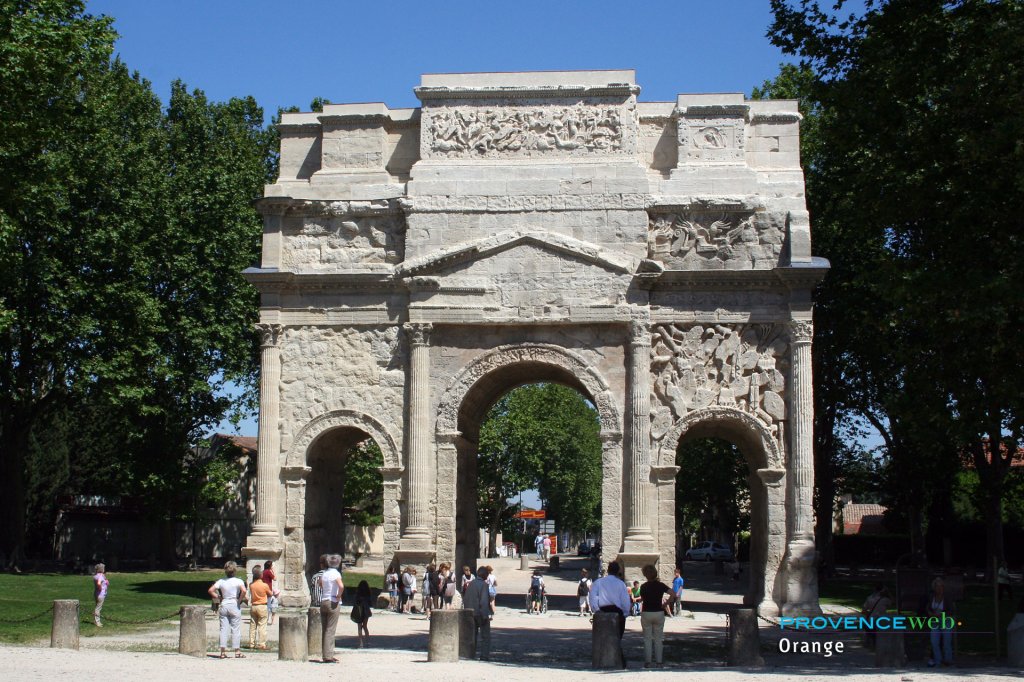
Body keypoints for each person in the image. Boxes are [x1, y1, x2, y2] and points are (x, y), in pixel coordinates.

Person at [588, 561, 631, 667]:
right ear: (618, 571)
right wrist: (625, 613)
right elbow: (625, 601)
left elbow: (592, 596)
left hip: (603, 611)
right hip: (618, 612)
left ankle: (603, 660)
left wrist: (596, 610)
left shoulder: (599, 582)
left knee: (601, 638)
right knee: (617, 638)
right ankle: (617, 660)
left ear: (608, 570)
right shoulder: (621, 584)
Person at [639, 564, 677, 668]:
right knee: (658, 638)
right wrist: (666, 603)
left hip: (646, 612)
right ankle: (659, 662)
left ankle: (648, 662)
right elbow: (673, 594)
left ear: (645, 575)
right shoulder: (661, 585)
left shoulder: (643, 586)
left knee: (647, 638)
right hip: (659, 612)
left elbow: (642, 598)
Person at [208, 561, 247, 659]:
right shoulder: (238, 581)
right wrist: (240, 599)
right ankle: (237, 651)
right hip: (234, 603)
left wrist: (219, 597)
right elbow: (244, 590)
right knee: (235, 628)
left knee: (223, 629)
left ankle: (222, 652)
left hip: (224, 603)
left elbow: (210, 590)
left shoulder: (221, 581)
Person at [319, 554, 344, 663]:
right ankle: (328, 655)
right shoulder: (336, 574)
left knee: (325, 629)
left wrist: (326, 590)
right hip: (333, 601)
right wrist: (338, 596)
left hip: (324, 600)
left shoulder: (324, 574)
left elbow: (320, 584)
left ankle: (326, 654)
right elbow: (341, 586)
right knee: (331, 629)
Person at [463, 566, 492, 661]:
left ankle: (470, 654)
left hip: (470, 612)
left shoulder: (471, 584)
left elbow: (466, 598)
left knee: (472, 635)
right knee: (485, 636)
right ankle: (484, 656)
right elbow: (483, 601)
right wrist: (485, 615)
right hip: (480, 613)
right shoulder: (484, 585)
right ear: (485, 575)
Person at [926, 577, 954, 667]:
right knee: (934, 642)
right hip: (934, 621)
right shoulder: (931, 597)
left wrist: (940, 615)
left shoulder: (947, 597)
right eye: (937, 587)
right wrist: (930, 613)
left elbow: (950, 611)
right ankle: (938, 661)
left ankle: (948, 661)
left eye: (941, 586)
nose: (939, 589)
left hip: (945, 621)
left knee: (947, 642)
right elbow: (928, 607)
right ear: (934, 588)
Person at [247, 565, 271, 650]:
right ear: (261, 575)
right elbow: (270, 594)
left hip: (254, 606)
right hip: (262, 606)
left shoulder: (251, 585)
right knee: (262, 626)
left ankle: (251, 643)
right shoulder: (264, 585)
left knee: (253, 626)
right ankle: (261, 644)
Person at [861, 583, 891, 648]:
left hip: (871, 619)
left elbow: (863, 611)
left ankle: (873, 645)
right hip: (882, 620)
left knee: (873, 633)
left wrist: (869, 613)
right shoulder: (885, 599)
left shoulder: (869, 598)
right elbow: (892, 603)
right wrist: (888, 592)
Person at [354, 580, 373, 648]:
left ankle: (360, 643)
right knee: (365, 626)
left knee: (359, 627)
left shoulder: (358, 594)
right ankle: (368, 642)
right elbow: (370, 603)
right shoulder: (368, 594)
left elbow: (356, 602)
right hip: (366, 610)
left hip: (359, 610)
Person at [262, 560, 280, 625]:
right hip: (268, 590)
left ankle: (263, 618)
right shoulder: (268, 572)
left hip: (263, 590)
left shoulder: (263, 572)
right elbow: (275, 578)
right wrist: (273, 571)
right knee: (268, 605)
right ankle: (267, 619)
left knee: (264, 604)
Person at [92, 563, 109, 627]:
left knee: (97, 607)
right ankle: (97, 622)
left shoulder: (96, 575)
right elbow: (99, 583)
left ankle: (95, 620)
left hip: (96, 593)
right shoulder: (101, 576)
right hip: (100, 594)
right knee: (98, 608)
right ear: (102, 569)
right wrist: (100, 588)